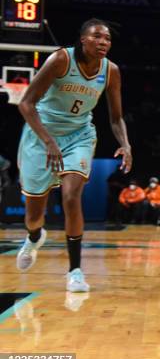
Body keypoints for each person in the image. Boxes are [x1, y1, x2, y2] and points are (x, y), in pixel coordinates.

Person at [15, 18, 132, 292]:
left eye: (107, 39)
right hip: (41, 135)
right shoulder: (60, 60)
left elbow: (116, 118)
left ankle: (75, 271)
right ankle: (34, 237)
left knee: (71, 196)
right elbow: (26, 103)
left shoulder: (111, 71)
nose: (103, 42)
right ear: (83, 39)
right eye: (97, 37)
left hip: (79, 135)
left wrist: (125, 144)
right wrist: (48, 141)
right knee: (34, 214)